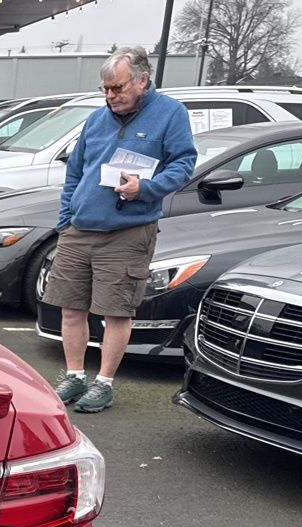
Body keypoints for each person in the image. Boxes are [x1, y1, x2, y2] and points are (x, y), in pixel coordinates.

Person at [43, 47, 196, 414]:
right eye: (105, 89)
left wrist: (145, 189)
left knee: (115, 313)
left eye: (118, 88)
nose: (111, 96)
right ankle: (75, 375)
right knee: (70, 308)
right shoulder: (97, 119)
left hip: (128, 231)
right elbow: (75, 171)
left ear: (143, 80)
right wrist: (66, 219)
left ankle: (104, 383)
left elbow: (184, 163)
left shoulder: (171, 114)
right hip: (79, 229)